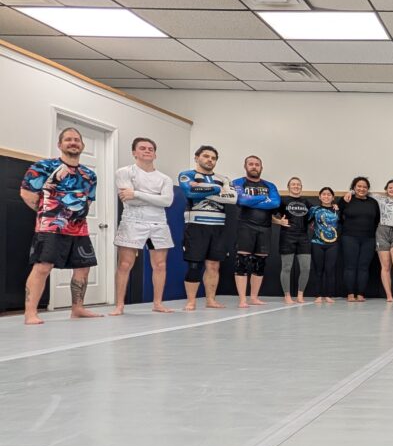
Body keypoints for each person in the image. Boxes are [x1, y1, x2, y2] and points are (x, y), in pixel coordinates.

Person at [20, 127, 102, 324]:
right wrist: (49, 214)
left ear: (82, 145)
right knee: (43, 267)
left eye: (76, 140)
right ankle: (30, 313)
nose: (73, 142)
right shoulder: (43, 167)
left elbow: (88, 201)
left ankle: (78, 309)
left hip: (79, 228)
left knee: (83, 267)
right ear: (60, 145)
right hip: (49, 228)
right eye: (68, 139)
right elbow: (27, 194)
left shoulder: (89, 174)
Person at [111, 137, 175, 316]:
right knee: (125, 264)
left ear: (155, 154)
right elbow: (128, 199)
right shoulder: (124, 172)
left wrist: (137, 193)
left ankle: (157, 303)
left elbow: (167, 201)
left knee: (160, 265)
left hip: (158, 224)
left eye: (150, 148)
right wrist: (154, 197)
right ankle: (119, 305)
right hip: (133, 221)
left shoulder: (165, 178)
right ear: (134, 152)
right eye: (142, 148)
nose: (147, 151)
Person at [179, 145, 236, 311]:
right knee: (194, 265)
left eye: (213, 158)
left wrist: (203, 189)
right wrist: (218, 191)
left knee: (214, 265)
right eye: (206, 156)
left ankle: (210, 300)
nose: (210, 160)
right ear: (197, 157)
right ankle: (191, 301)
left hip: (218, 227)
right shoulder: (186, 174)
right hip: (196, 225)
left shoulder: (223, 178)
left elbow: (232, 198)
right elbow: (189, 193)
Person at [231, 155, 280, 308]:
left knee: (260, 263)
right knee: (242, 263)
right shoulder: (238, 182)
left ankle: (254, 297)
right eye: (251, 164)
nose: (254, 166)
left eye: (257, 164)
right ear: (245, 167)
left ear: (261, 167)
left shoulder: (269, 185)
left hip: (265, 228)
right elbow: (241, 200)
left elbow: (275, 203)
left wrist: (252, 200)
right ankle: (242, 299)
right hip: (245, 226)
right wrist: (263, 198)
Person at [338, 176, 380, 302]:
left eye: (364, 187)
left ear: (368, 189)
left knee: (363, 267)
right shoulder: (346, 200)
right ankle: (350, 294)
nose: (362, 189)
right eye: (359, 186)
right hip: (349, 237)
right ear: (354, 188)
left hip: (369, 238)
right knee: (350, 266)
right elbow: (338, 216)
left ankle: (361, 294)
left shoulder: (373, 203)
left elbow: (377, 220)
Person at [274, 177, 311, 304]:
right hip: (287, 236)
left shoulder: (306, 202)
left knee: (306, 267)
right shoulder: (282, 201)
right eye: (293, 184)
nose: (296, 186)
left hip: (303, 237)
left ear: (301, 187)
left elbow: (315, 215)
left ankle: (300, 295)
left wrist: (333, 206)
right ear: (288, 187)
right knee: (287, 267)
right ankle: (287, 296)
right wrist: (279, 221)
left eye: (298, 184)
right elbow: (270, 215)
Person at [309, 187, 339, 304]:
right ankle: (318, 295)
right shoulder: (314, 209)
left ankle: (328, 295)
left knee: (330, 270)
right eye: (324, 194)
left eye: (329, 194)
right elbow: (306, 221)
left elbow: (342, 223)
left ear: (333, 197)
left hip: (333, 244)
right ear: (320, 196)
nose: (326, 196)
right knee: (318, 270)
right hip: (317, 243)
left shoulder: (337, 210)